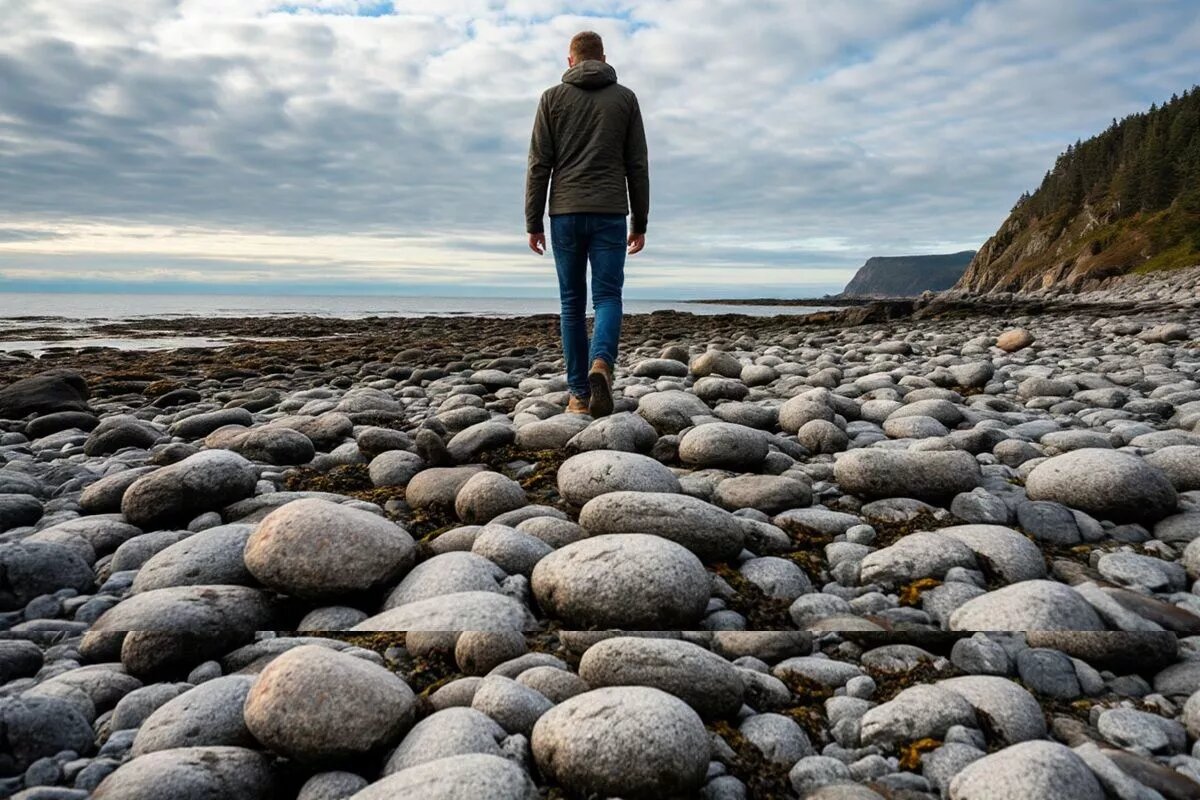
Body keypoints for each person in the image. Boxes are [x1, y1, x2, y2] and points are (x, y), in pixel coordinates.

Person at [525, 30, 649, 417]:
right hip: (611, 211)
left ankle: (579, 396)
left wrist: (533, 220)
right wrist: (640, 221)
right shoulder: (625, 98)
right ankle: (602, 364)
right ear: (604, 58)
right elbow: (637, 165)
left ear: (570, 61)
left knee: (571, 304)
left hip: (564, 212)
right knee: (608, 297)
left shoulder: (551, 99)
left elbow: (539, 163)